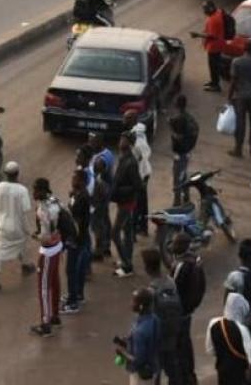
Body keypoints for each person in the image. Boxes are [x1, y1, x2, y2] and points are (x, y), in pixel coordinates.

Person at [0, 161, 35, 292]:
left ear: (5, 174)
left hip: (3, 225)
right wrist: (28, 230)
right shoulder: (22, 190)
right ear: (17, 173)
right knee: (22, 244)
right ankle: (25, 265)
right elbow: (25, 211)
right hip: (17, 226)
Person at [170, 232, 206, 382]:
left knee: (179, 346)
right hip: (189, 309)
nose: (172, 245)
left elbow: (172, 288)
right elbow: (202, 285)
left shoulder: (182, 265)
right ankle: (189, 375)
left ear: (182, 246)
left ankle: (185, 377)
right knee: (185, 343)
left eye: (175, 243)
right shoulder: (195, 260)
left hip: (181, 311)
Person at [30, 177, 64, 337]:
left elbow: (45, 237)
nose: (33, 193)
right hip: (58, 247)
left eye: (35, 190)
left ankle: (45, 323)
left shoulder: (43, 209)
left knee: (43, 287)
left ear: (42, 191)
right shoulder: (55, 200)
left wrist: (35, 237)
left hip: (48, 251)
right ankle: (55, 316)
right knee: (55, 281)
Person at [141, 248, 181, 382]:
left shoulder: (151, 291)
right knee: (172, 369)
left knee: (156, 371)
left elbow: (148, 318)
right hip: (172, 332)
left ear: (147, 268)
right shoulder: (170, 281)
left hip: (158, 337)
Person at [206, 293, 251, 384]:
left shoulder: (213, 323)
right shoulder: (241, 329)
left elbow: (210, 350)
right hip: (240, 374)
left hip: (222, 370)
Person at [112, 133, 143, 277]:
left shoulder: (131, 162)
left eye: (124, 140)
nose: (120, 142)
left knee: (115, 233)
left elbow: (138, 185)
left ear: (129, 143)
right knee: (128, 232)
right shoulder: (123, 157)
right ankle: (126, 259)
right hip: (123, 201)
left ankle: (127, 265)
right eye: (120, 139)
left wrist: (120, 190)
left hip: (127, 202)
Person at [63, 169, 92, 314]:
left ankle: (72, 302)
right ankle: (78, 294)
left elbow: (77, 220)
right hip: (81, 237)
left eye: (75, 178)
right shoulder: (79, 194)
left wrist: (73, 239)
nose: (72, 180)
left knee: (71, 270)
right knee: (78, 268)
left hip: (77, 239)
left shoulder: (82, 198)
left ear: (81, 181)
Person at [228, 45, 251, 158]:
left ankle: (238, 149)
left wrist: (229, 96)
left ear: (244, 50)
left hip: (240, 96)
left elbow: (233, 80)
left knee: (240, 123)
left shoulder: (236, 62)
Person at [121, 289, 161, 383]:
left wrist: (123, 354)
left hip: (140, 374)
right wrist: (129, 341)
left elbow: (138, 360)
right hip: (153, 367)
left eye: (134, 301)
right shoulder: (154, 319)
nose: (131, 304)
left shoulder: (139, 332)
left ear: (141, 306)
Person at [169, 96, 199, 204]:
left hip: (180, 152)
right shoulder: (190, 118)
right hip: (187, 151)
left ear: (177, 105)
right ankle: (186, 196)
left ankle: (177, 201)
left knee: (177, 177)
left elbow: (178, 136)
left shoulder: (178, 119)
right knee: (183, 174)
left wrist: (171, 128)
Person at [196, 0, 230, 92]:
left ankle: (215, 85)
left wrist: (198, 35)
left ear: (211, 9)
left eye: (205, 9)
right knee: (214, 65)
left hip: (214, 47)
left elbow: (212, 36)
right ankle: (213, 81)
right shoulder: (218, 13)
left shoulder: (213, 20)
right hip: (218, 45)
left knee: (213, 67)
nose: (204, 11)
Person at [129, 117, 153, 236]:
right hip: (142, 174)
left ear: (131, 120)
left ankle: (136, 228)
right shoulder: (136, 133)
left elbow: (144, 156)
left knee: (137, 203)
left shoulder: (138, 139)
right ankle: (142, 227)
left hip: (141, 175)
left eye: (126, 118)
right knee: (142, 203)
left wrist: (140, 178)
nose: (123, 120)